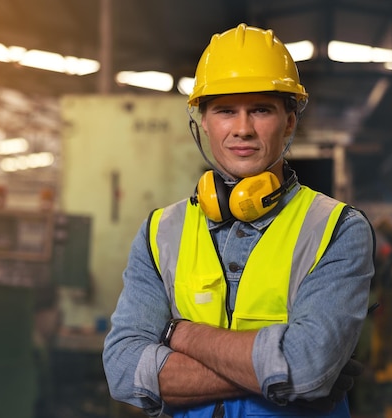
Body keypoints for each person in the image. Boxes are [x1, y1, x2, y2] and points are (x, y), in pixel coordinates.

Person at [103, 23, 375, 417]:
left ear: (289, 122)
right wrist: (281, 373)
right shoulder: (160, 231)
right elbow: (123, 370)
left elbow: (306, 368)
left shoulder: (337, 229)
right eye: (226, 110)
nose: (242, 129)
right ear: (204, 122)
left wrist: (176, 333)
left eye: (260, 110)